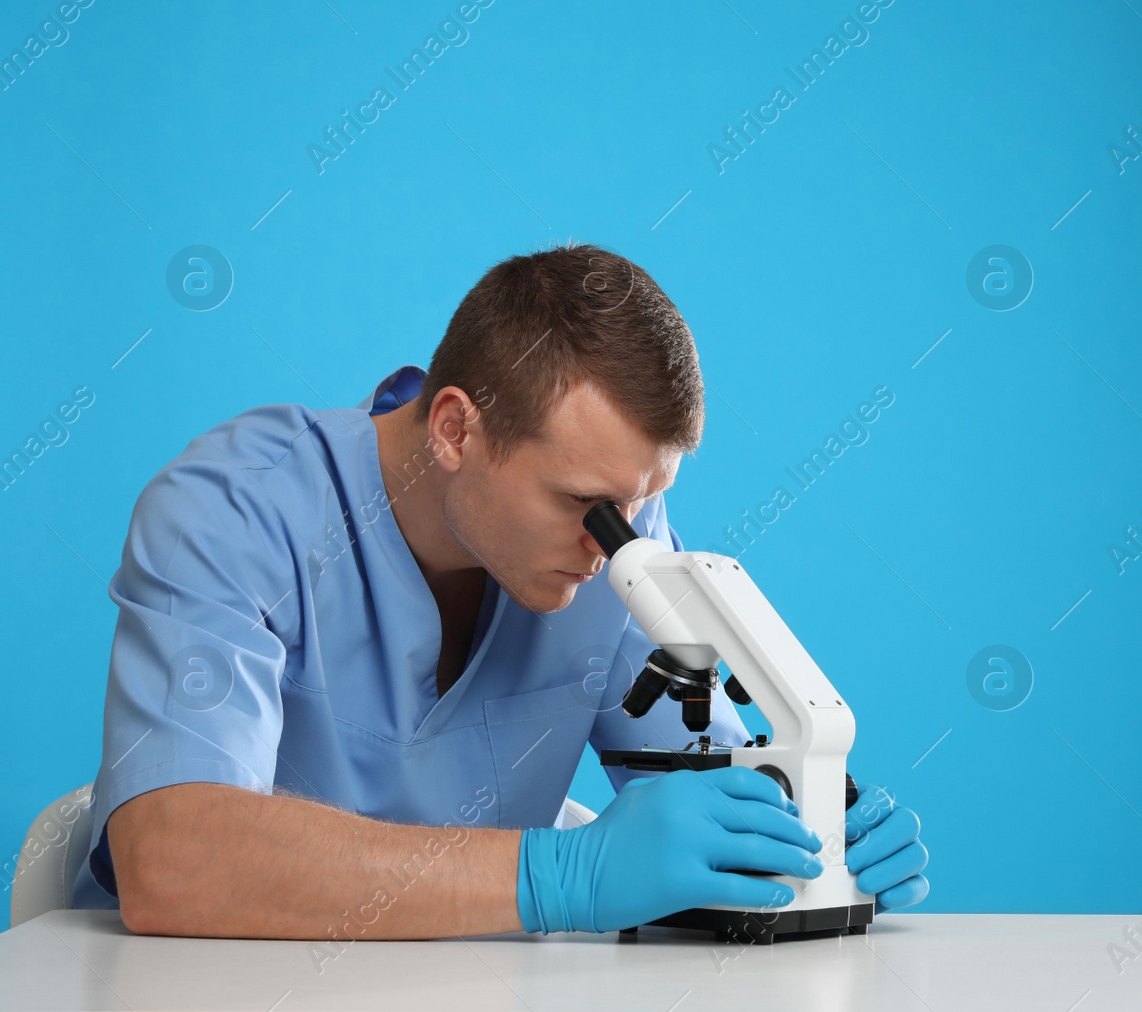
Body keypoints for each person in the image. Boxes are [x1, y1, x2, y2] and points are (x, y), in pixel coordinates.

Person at [71, 243, 928, 940]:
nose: (615, 545)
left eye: (639, 503)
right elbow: (172, 861)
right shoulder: (232, 512)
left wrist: (806, 835)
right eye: (582, 503)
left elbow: (701, 790)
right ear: (454, 429)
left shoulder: (619, 538)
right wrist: (557, 875)